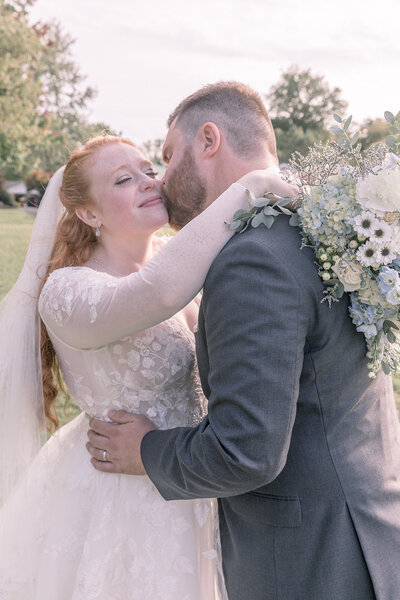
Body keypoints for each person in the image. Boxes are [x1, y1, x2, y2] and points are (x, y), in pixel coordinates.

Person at [88, 81, 400, 600]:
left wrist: (144, 450)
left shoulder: (254, 255)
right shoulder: (318, 224)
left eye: (167, 157)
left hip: (313, 562)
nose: (161, 179)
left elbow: (246, 451)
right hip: (368, 526)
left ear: (209, 140)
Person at [0, 133, 291, 599]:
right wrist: (251, 186)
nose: (147, 183)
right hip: (120, 493)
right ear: (88, 213)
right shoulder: (67, 291)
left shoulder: (178, 262)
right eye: (122, 180)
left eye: (147, 171)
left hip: (194, 475)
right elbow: (155, 294)